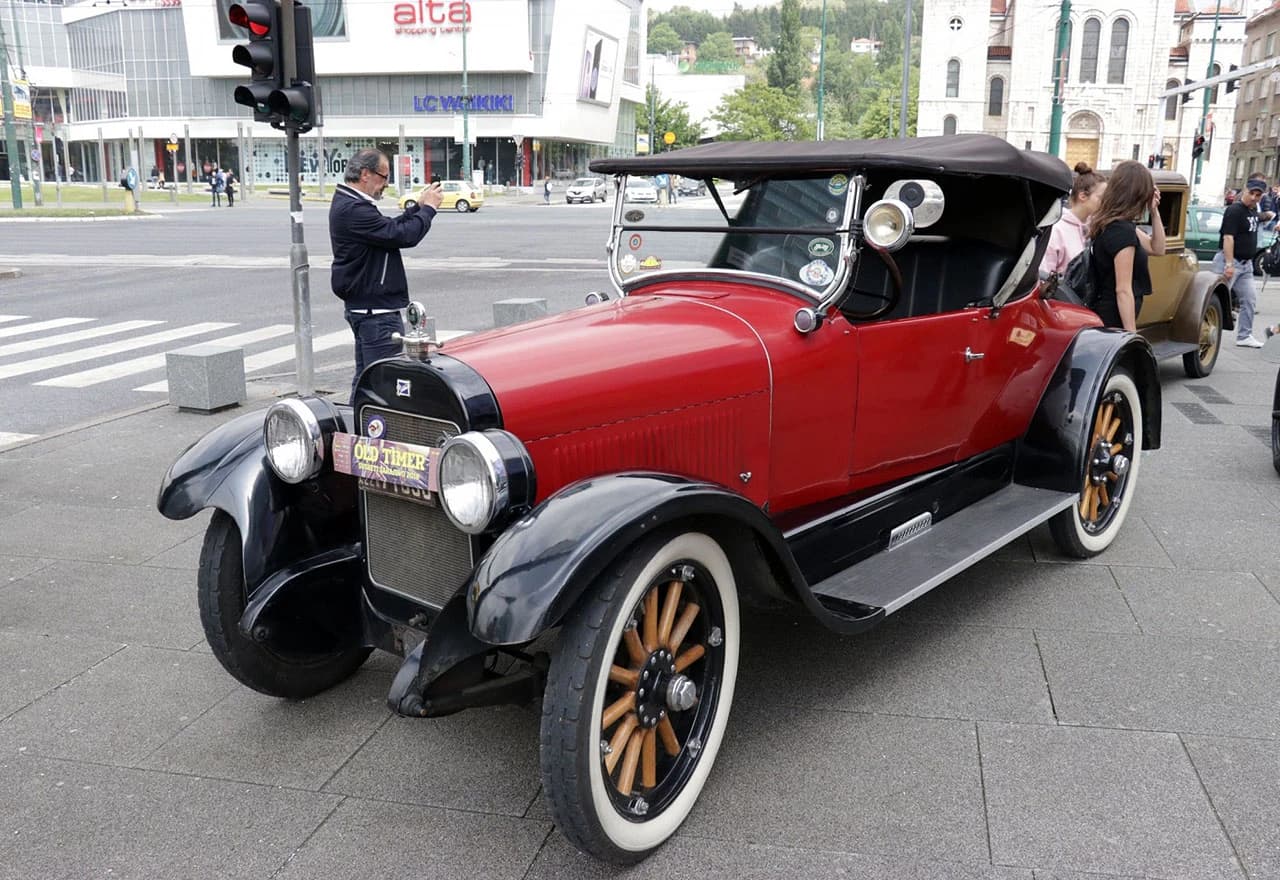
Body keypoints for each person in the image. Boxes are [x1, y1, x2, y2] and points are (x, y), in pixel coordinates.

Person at [329, 148, 444, 401]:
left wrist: (418, 207)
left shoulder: (351, 203)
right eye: (384, 176)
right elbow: (402, 235)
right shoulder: (354, 209)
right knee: (383, 385)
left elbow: (388, 229)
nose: (386, 184)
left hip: (367, 308)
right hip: (375, 313)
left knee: (365, 379)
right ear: (365, 174)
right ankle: (376, 434)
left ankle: (354, 432)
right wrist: (429, 210)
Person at [1088, 160, 1165, 332]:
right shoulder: (1122, 231)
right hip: (1114, 317)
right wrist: (1131, 334)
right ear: (1138, 194)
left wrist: (1154, 212)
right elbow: (1123, 289)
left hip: (1108, 312)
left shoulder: (1115, 225)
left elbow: (1158, 249)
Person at [1213, 177, 1275, 348]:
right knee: (1214, 300)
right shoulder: (1235, 210)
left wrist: (1270, 217)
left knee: (1249, 299)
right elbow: (1228, 237)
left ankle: (1244, 335)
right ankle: (1202, 332)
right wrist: (1229, 263)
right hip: (1231, 262)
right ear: (1244, 191)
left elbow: (1258, 219)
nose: (1254, 197)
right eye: (1251, 193)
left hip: (1246, 265)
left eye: (1258, 195)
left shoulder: (1252, 210)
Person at [1040, 161, 1105, 275]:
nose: (1105, 203)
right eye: (1101, 198)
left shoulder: (1096, 227)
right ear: (1083, 196)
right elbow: (1044, 274)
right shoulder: (1057, 230)